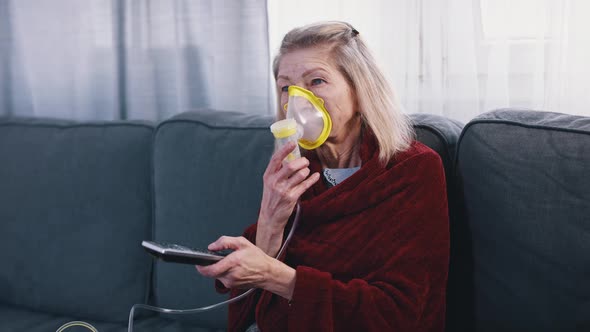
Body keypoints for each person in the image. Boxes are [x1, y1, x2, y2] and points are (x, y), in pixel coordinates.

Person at [196, 21, 449, 332]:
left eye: (316, 81)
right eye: (286, 87)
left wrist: (273, 275)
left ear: (360, 90)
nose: (296, 101)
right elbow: (250, 314)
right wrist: (270, 223)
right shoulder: (294, 174)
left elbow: (399, 315)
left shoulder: (411, 170)